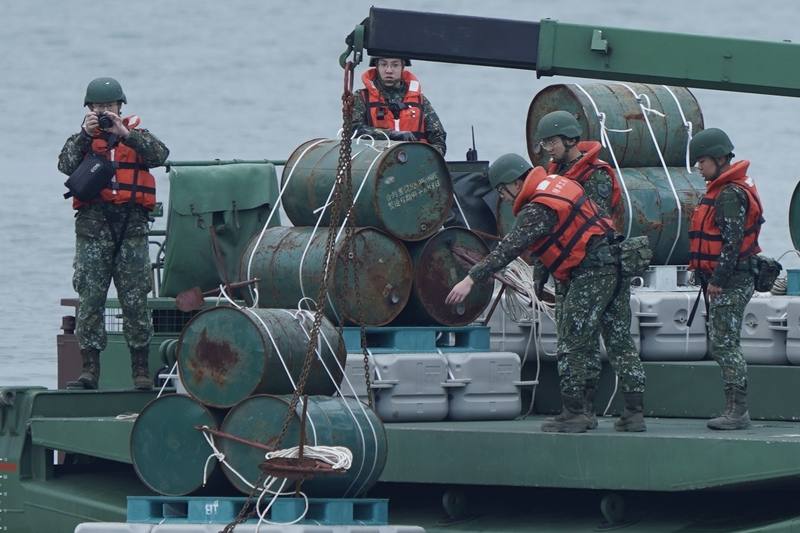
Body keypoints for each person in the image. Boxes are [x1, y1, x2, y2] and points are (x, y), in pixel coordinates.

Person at [446, 159, 646, 433]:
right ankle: (634, 413)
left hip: (590, 273)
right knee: (619, 340)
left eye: (503, 191)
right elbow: (556, 239)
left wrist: (471, 279)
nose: (503, 198)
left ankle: (576, 412)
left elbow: (510, 248)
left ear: (516, 182)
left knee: (573, 342)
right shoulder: (560, 187)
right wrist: (540, 278)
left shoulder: (538, 208)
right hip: (615, 264)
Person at [57, 77, 169, 390]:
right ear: (89, 109)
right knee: (91, 300)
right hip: (94, 231)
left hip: (131, 230)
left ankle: (140, 370)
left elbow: (160, 155)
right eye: (99, 107)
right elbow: (64, 164)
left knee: (135, 300)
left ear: (120, 107)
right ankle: (90, 370)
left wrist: (127, 135)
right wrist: (84, 134)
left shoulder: (136, 136)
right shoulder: (81, 141)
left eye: (110, 106)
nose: (106, 111)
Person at [531, 111, 625, 428]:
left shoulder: (596, 176)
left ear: (570, 140)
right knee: (571, 338)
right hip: (563, 268)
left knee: (580, 340)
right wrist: (542, 268)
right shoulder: (555, 176)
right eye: (544, 143)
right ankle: (579, 410)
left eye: (552, 142)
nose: (548, 149)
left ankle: (582, 409)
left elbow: (593, 226)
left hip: (588, 266)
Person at [688, 127, 763, 430]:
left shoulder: (730, 195)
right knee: (722, 341)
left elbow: (731, 243)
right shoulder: (723, 189)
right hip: (726, 277)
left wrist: (717, 279)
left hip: (732, 279)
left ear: (719, 159)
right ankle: (734, 408)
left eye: (702, 161)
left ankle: (737, 411)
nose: (698, 167)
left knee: (725, 343)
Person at [352, 57, 447, 157]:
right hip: (375, 164)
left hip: (415, 165)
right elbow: (353, 130)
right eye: (384, 65)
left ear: (402, 67)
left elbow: (438, 138)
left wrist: (425, 161)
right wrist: (391, 135)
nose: (389, 70)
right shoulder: (362, 97)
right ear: (377, 66)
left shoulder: (420, 100)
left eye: (395, 65)